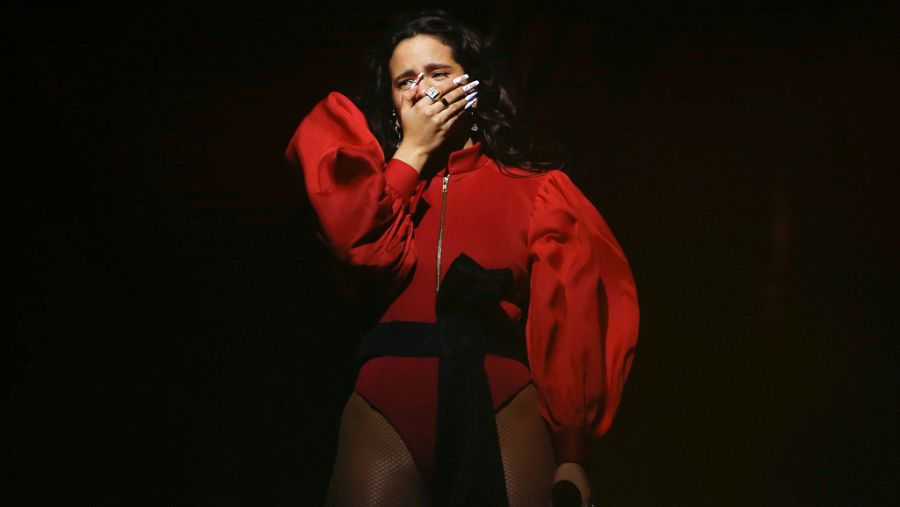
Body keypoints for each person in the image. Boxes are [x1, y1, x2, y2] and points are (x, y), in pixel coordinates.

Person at [284, 10, 639, 507]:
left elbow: (572, 316)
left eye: (437, 72)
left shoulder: (540, 193)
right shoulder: (374, 189)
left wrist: (572, 452)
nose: (421, 88)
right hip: (385, 406)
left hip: (501, 401)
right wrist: (410, 154)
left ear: (472, 84)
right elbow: (362, 254)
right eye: (404, 80)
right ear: (391, 101)